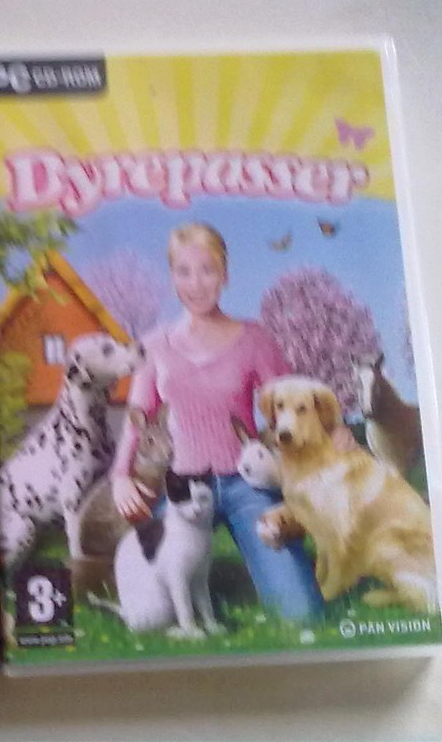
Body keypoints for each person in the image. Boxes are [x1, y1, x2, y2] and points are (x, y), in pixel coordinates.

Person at [111, 222, 326, 622]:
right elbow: (137, 420)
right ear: (172, 276)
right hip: (182, 489)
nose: (196, 284)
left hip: (247, 484)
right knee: (153, 602)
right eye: (184, 272)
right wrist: (121, 476)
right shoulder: (153, 346)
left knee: (302, 615)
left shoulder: (256, 339)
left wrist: (318, 454)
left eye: (207, 270)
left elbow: (291, 405)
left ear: (225, 275)